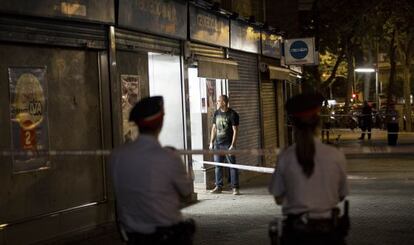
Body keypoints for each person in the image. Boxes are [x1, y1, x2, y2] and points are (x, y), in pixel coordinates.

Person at [110, 96, 195, 245]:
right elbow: (186, 193)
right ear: (160, 122)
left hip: (133, 236)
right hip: (167, 236)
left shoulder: (117, 155)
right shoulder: (168, 157)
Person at [269, 92, 349, 245]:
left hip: (296, 235)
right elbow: (341, 195)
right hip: (328, 234)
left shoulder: (286, 157)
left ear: (293, 124)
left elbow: (278, 197)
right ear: (318, 122)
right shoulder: (335, 155)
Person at [209, 95, 240, 195]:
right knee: (218, 166)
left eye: (218, 101)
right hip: (217, 144)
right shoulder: (216, 113)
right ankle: (219, 186)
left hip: (228, 145)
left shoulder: (233, 114)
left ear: (224, 102)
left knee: (232, 166)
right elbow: (214, 128)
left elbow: (235, 131)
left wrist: (232, 145)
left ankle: (235, 187)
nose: (217, 102)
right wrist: (211, 142)